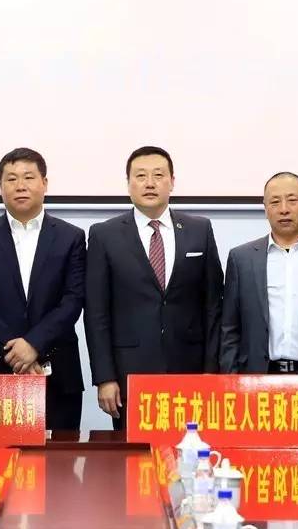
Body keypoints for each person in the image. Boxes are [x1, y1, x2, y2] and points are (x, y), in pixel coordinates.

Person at [85, 146, 223, 429]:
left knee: (190, 449)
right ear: (128, 184)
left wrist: (212, 370)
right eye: (141, 176)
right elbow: (96, 313)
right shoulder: (104, 235)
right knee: (135, 453)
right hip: (129, 374)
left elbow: (213, 305)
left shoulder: (199, 230)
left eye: (158, 175)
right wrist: (105, 378)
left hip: (190, 371)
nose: (150, 183)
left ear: (172, 181)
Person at [0, 148, 86, 430]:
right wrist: (16, 351)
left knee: (58, 456)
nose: (20, 186)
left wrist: (34, 345)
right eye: (11, 179)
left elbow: (73, 299)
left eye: (29, 177)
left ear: (44, 183)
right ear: (0, 187)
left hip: (56, 370)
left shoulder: (71, 237)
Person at [220, 172, 298, 430]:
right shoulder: (242, 259)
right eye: (274, 202)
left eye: (292, 200)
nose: (284, 209)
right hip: (257, 387)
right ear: (265, 208)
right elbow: (230, 329)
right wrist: (231, 382)